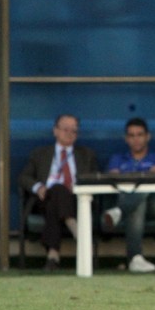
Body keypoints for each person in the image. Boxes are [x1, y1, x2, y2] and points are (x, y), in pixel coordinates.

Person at [18, 114, 99, 271]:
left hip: (77, 200)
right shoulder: (40, 154)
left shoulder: (87, 155)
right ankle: (77, 230)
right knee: (57, 190)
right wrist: (38, 187)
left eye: (74, 130)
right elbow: (23, 177)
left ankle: (53, 254)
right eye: (65, 129)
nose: (70, 133)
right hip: (44, 198)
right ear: (55, 131)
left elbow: (95, 178)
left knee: (57, 196)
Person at [101, 117, 155, 273]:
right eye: (131, 135)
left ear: (148, 136)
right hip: (130, 203)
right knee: (137, 205)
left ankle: (119, 211)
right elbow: (110, 179)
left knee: (141, 189)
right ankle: (135, 259)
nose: (136, 139)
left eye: (139, 134)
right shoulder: (117, 159)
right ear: (126, 138)